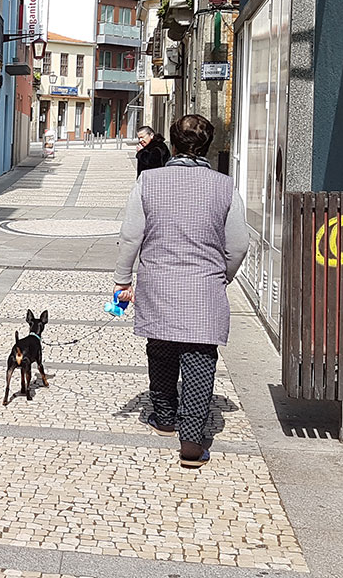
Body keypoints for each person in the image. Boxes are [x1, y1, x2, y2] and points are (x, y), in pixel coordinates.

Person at [113, 114, 249, 468]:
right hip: (204, 286)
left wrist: (123, 279)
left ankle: (164, 417)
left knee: (160, 348)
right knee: (200, 358)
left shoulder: (148, 182)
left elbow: (131, 236)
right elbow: (238, 245)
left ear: (172, 145)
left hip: (158, 282)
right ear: (208, 146)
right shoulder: (225, 187)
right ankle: (192, 439)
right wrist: (222, 276)